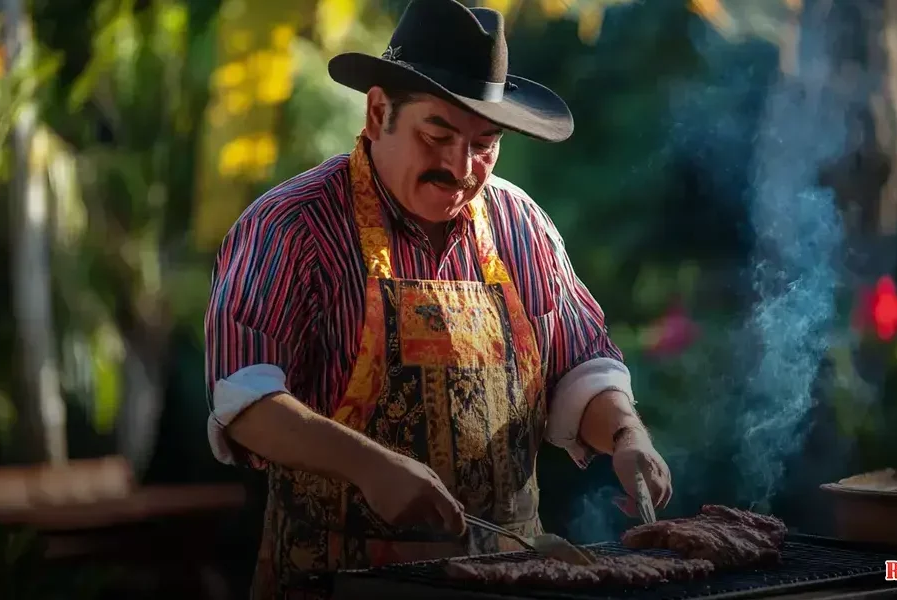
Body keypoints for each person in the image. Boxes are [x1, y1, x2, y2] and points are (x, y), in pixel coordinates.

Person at [203, 1, 672, 597]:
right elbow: (244, 401)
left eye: (485, 144)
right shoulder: (290, 225)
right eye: (437, 136)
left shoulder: (521, 226)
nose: (460, 167)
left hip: (516, 578)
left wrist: (628, 436)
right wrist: (369, 466)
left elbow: (580, 367)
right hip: (335, 582)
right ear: (378, 114)